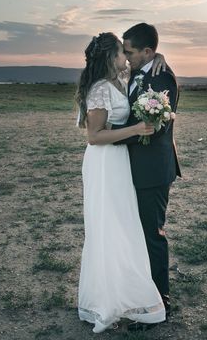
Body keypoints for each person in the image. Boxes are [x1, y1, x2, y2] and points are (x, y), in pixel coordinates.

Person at [75, 32, 167, 333]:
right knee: (108, 228)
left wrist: (160, 58)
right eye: (121, 53)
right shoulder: (100, 89)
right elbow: (94, 136)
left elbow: (143, 62)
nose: (126, 58)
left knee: (124, 225)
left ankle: (127, 291)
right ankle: (106, 299)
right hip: (104, 163)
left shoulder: (121, 77)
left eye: (128, 53)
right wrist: (137, 129)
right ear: (110, 58)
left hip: (120, 163)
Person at [111, 22, 180, 330]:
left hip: (152, 170)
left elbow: (152, 129)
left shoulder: (161, 77)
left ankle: (160, 303)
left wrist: (107, 135)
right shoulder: (138, 72)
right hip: (132, 168)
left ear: (147, 52)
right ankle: (140, 291)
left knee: (152, 234)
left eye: (130, 51)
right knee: (135, 233)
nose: (126, 57)